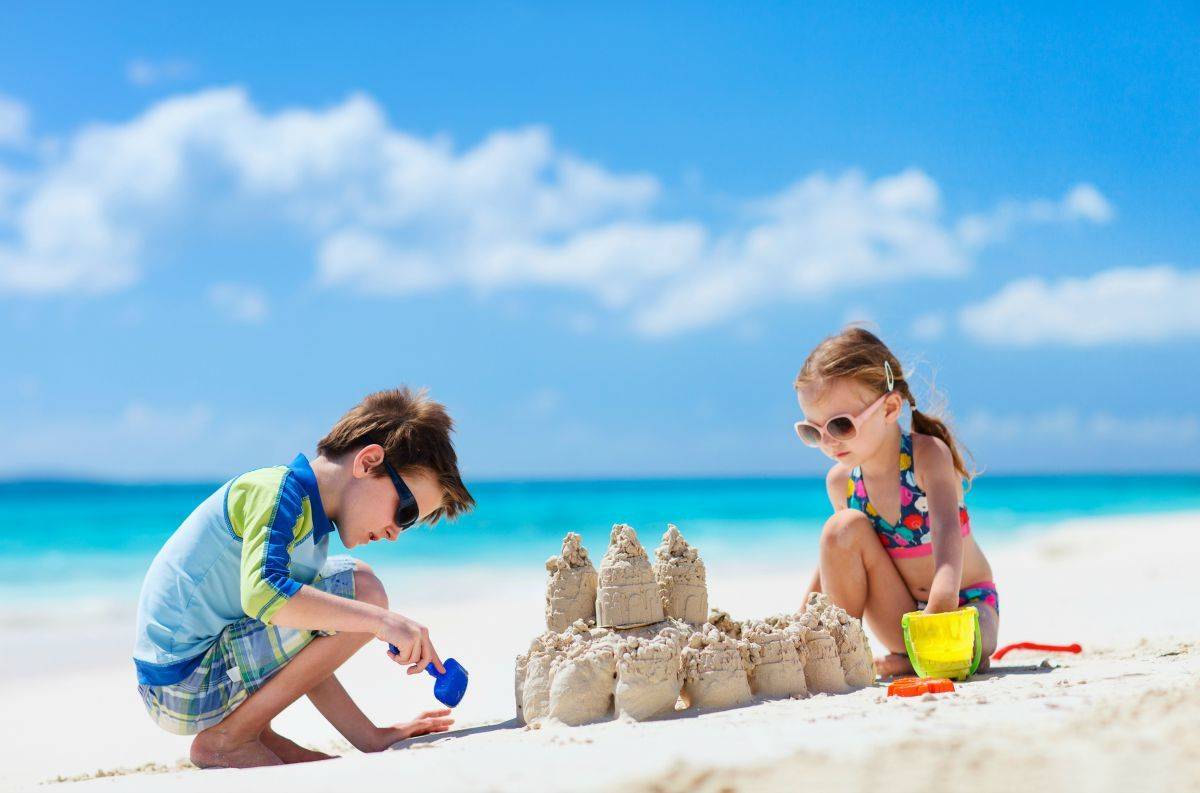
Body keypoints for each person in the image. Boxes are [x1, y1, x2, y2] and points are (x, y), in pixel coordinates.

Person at [133, 387, 475, 768]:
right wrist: (381, 621)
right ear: (368, 461)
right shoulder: (277, 494)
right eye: (406, 511)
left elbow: (305, 649)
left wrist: (369, 736)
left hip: (197, 676)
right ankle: (230, 738)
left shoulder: (312, 530)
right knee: (364, 591)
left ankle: (253, 730)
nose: (396, 531)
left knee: (352, 589)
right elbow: (263, 595)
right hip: (182, 683)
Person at [794, 327, 998, 676]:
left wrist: (943, 602)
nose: (828, 442)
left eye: (841, 426)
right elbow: (831, 558)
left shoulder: (927, 457)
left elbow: (947, 532)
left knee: (968, 655)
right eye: (812, 431)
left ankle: (917, 661)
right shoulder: (843, 482)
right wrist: (800, 623)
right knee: (840, 528)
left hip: (965, 601)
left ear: (889, 408)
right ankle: (838, 651)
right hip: (901, 616)